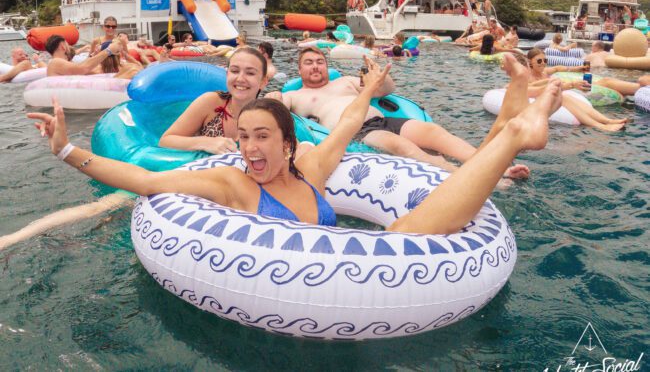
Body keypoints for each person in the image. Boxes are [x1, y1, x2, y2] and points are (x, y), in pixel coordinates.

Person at [26, 57, 563, 237]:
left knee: (408, 226)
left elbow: (350, 122)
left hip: (339, 274)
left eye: (261, 139)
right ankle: (515, 129)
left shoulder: (311, 166)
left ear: (287, 144)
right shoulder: (230, 179)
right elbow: (144, 180)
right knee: (402, 233)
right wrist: (64, 151)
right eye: (243, 139)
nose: (250, 149)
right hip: (282, 280)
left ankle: (515, 124)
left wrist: (372, 87)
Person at [272, 47, 529, 179]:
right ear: (299, 69)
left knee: (435, 133)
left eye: (320, 62)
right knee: (403, 147)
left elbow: (386, 90)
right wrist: (273, 96)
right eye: (309, 63)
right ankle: (472, 176)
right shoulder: (295, 96)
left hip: (383, 119)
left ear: (327, 66)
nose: (315, 67)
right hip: (357, 132)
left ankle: (497, 167)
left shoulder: (345, 81)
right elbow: (276, 106)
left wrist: (379, 79)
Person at [159, 47, 270, 154]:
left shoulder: (268, 117)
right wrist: (204, 142)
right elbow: (165, 141)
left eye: (250, 73)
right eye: (235, 71)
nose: (240, 79)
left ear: (263, 82)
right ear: (227, 75)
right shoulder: (210, 102)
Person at [525, 48, 626, 131]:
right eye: (539, 61)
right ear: (530, 62)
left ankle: (607, 120)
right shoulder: (527, 77)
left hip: (552, 96)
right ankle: (601, 126)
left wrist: (576, 69)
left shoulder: (544, 72)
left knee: (570, 98)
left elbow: (557, 68)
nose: (543, 63)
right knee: (565, 98)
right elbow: (535, 88)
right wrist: (571, 84)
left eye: (545, 60)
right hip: (538, 101)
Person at [45, 35, 123, 76]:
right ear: (63, 46)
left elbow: (81, 67)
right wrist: (109, 50)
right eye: (67, 44)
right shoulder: (55, 62)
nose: (69, 47)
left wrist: (93, 55)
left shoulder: (60, 63)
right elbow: (82, 69)